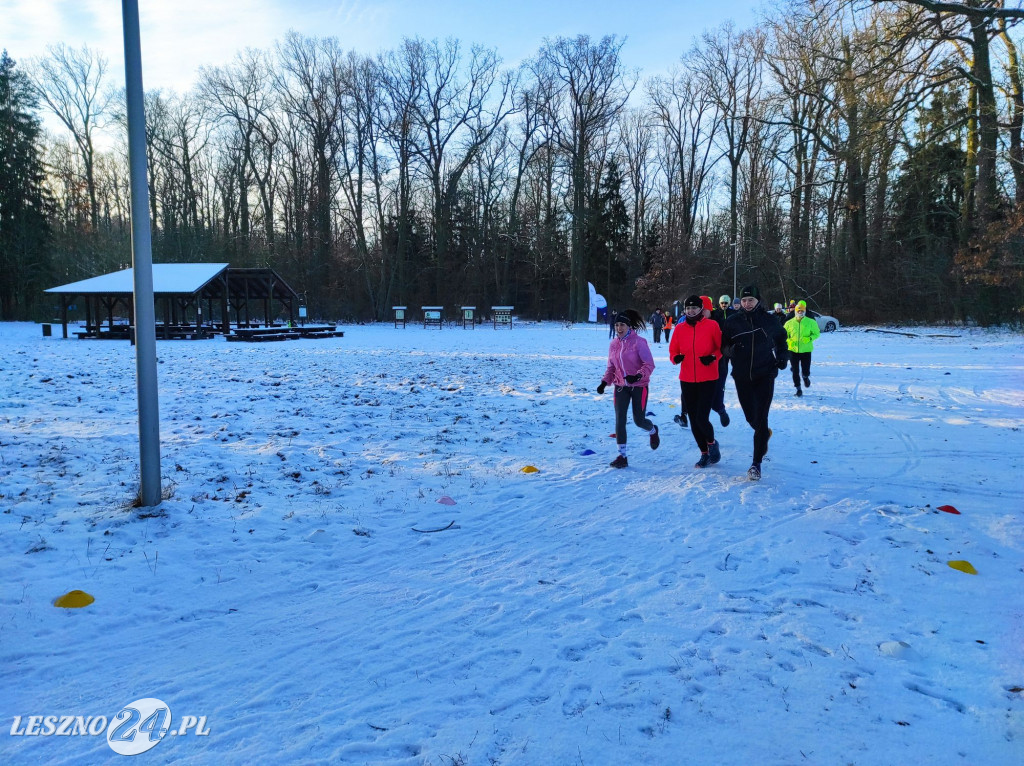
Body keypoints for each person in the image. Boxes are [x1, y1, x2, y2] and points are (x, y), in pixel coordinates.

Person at [721, 285, 788, 481]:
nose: (747, 303)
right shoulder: (732, 321)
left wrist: (783, 357)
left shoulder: (769, 320)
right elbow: (724, 345)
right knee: (751, 417)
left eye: (751, 300)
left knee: (762, 416)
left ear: (758, 301)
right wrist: (729, 351)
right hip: (742, 376)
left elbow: (782, 341)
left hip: (764, 374)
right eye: (744, 300)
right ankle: (764, 434)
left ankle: (756, 464)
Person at [598, 309, 659, 468]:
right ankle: (622, 456)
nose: (619, 328)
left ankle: (652, 430)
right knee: (620, 420)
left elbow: (649, 364)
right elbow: (611, 368)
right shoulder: (613, 344)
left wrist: (638, 376)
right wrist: (605, 382)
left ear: (628, 325)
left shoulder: (639, 342)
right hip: (620, 386)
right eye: (616, 324)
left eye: (622, 324)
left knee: (639, 420)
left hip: (639, 386)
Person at [670, 295, 723, 468]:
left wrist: (713, 357)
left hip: (708, 377)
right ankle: (704, 453)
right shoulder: (679, 328)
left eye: (694, 307)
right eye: (688, 308)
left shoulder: (712, 325)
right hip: (686, 379)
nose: (691, 311)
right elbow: (673, 350)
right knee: (693, 418)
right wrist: (675, 358)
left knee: (702, 417)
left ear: (701, 309)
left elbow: (720, 348)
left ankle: (712, 442)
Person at [784, 300, 821, 397]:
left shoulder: (811, 322)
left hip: (806, 350)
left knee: (805, 370)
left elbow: (817, 334)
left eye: (802, 311)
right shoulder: (789, 323)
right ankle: (798, 389)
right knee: (795, 371)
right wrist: (789, 341)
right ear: (795, 311)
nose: (800, 312)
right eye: (798, 311)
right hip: (793, 350)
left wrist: (809, 338)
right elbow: (784, 335)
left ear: (805, 311)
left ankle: (805, 377)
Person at [709, 295, 736, 427]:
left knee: (734, 367)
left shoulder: (733, 313)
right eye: (722, 303)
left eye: (726, 303)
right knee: (721, 369)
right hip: (719, 348)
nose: (724, 305)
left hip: (731, 345)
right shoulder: (715, 314)